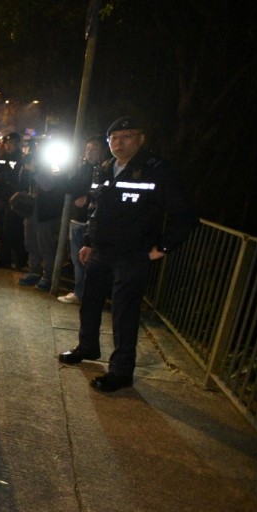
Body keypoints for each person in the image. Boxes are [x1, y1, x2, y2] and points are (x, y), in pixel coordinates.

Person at [58, 116, 197, 392]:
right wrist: (88, 241)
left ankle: (120, 372)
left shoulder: (157, 171)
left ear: (141, 139)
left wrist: (164, 247)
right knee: (90, 301)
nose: (119, 143)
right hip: (101, 250)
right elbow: (96, 210)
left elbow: (186, 215)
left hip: (132, 255)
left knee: (124, 314)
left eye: (127, 137)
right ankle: (87, 347)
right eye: (114, 138)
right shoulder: (105, 168)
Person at [58, 135, 106, 303]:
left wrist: (87, 198)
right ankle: (79, 293)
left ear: (102, 151)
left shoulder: (106, 170)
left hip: (90, 223)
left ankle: (86, 295)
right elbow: (69, 186)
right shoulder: (85, 168)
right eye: (87, 149)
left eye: (93, 149)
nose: (89, 153)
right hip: (77, 221)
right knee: (77, 260)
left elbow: (104, 194)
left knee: (89, 262)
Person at [17, 139, 65, 290]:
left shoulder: (54, 164)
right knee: (31, 243)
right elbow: (21, 182)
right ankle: (34, 271)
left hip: (46, 213)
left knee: (45, 246)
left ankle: (47, 276)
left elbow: (49, 186)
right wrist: (26, 169)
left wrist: (35, 170)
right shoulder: (31, 163)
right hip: (31, 211)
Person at [0, 132, 27, 269]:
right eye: (7, 144)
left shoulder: (22, 159)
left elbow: (22, 181)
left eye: (12, 144)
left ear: (18, 145)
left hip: (14, 199)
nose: (8, 147)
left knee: (13, 230)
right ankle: (4, 258)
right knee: (1, 229)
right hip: (0, 198)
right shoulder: (1, 157)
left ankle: (20, 258)